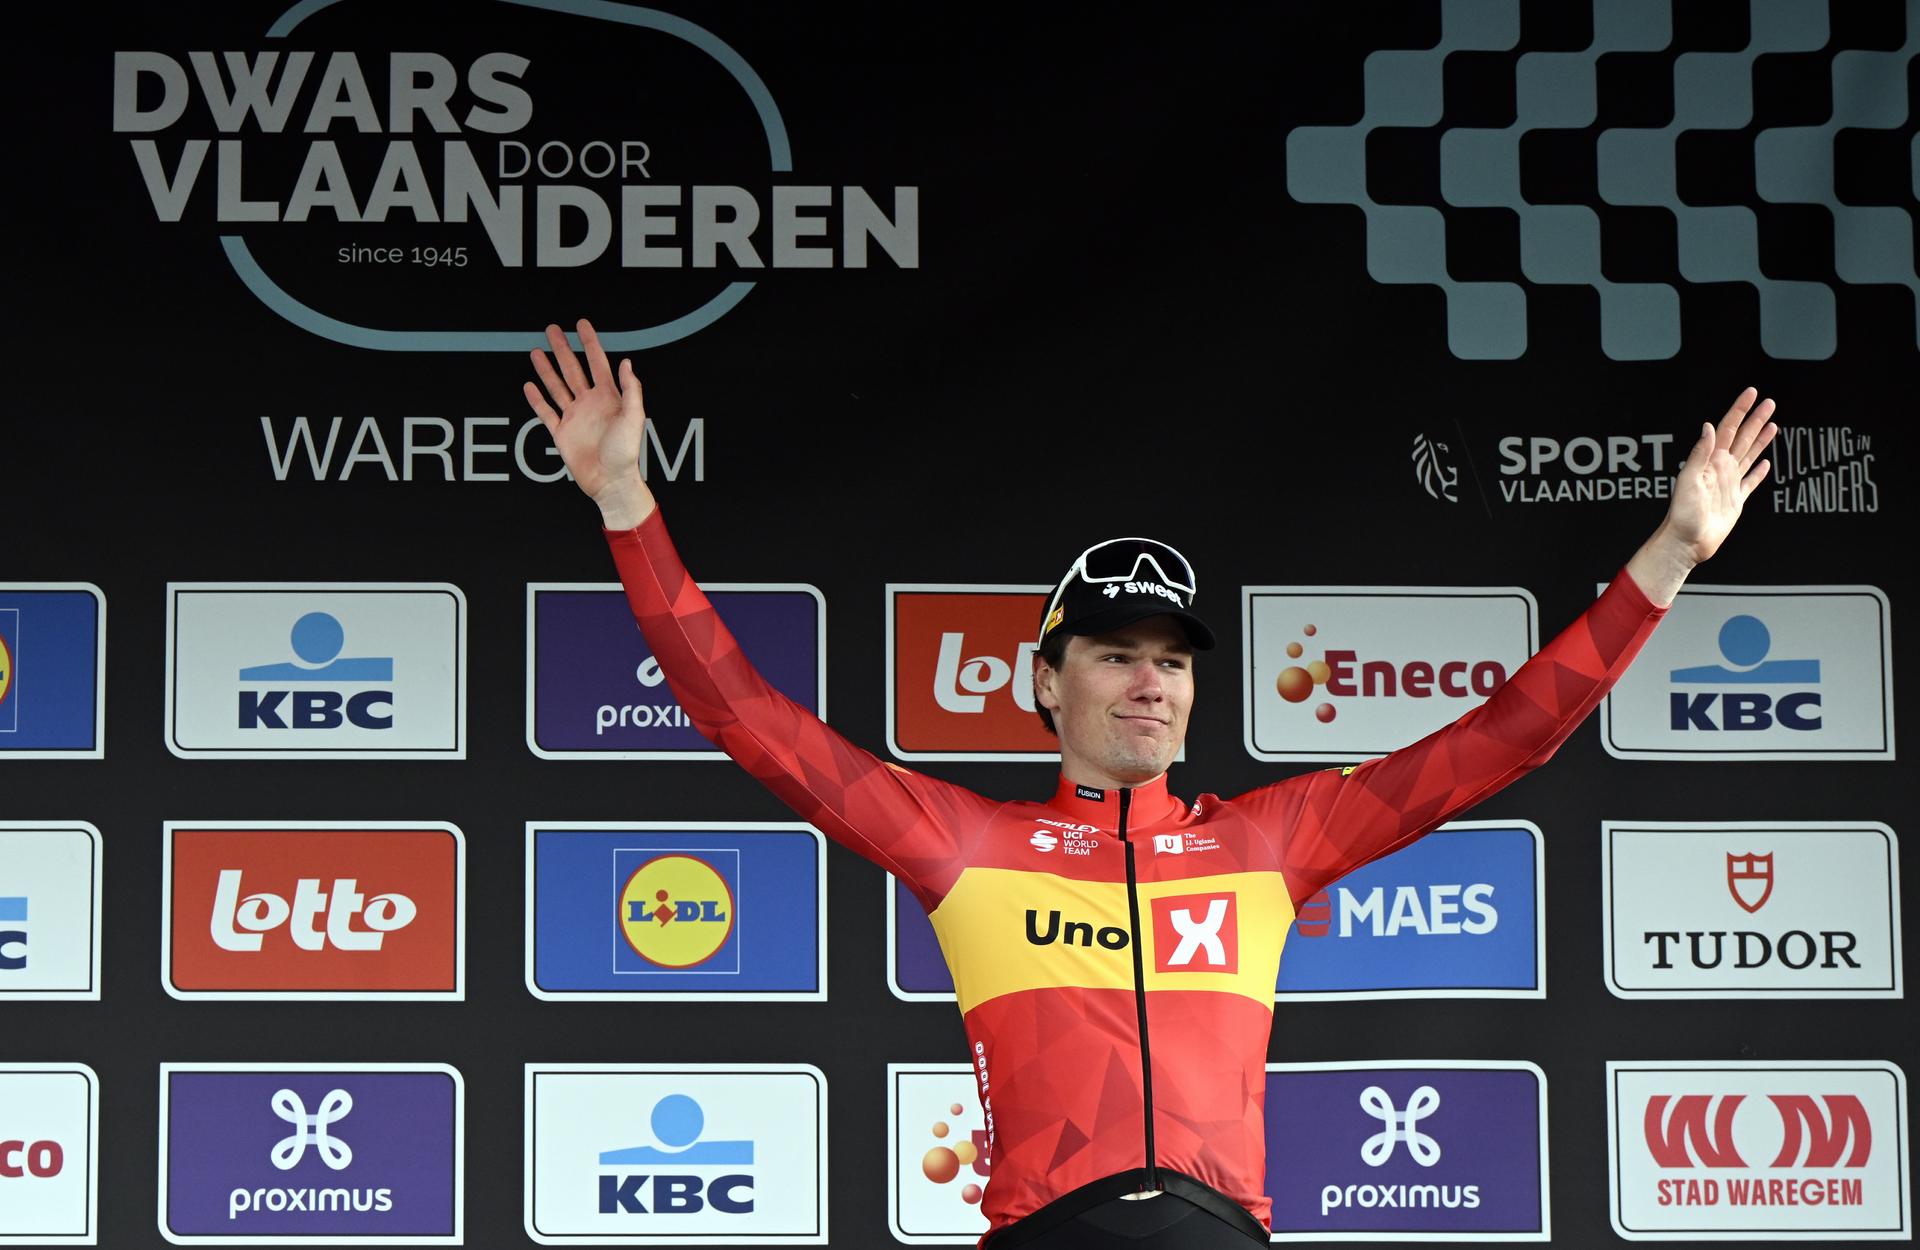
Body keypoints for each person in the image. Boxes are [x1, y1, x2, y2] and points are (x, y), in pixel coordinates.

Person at [523, 319, 1776, 1249]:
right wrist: (628, 501)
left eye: (1173, 661)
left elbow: (1506, 736)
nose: (1149, 685)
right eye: (1116, 653)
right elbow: (755, 723)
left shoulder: (1272, 839)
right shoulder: (971, 842)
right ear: (1042, 680)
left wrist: (1667, 554)